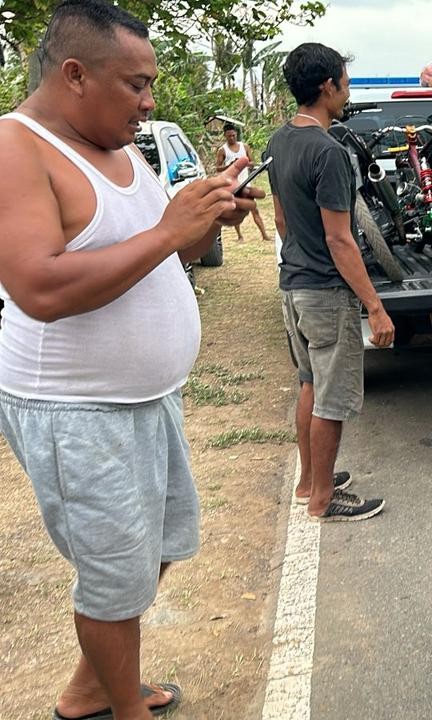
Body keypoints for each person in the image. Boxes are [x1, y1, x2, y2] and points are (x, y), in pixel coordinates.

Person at [0, 2, 260, 718]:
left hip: (147, 399)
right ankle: (123, 709)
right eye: (136, 85)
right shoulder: (15, 148)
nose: (149, 103)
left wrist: (205, 214)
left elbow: (137, 244)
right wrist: (170, 232)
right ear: (75, 74)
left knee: (155, 552)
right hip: (76, 410)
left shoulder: (113, 147)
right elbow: (38, 288)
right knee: (114, 577)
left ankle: (91, 689)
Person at [265, 43, 392, 522]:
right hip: (323, 290)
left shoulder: (278, 142)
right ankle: (323, 500)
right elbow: (341, 240)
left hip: (291, 284)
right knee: (331, 398)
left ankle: (307, 483)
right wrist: (374, 306)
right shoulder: (329, 152)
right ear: (327, 87)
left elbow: (280, 220)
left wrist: (300, 254)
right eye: (345, 81)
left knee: (309, 384)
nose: (348, 90)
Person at [214, 122, 270, 242]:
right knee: (236, 209)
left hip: (246, 183)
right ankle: (239, 235)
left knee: (254, 209)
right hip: (233, 186)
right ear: (225, 136)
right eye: (229, 136)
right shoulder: (222, 150)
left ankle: (264, 235)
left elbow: (252, 162)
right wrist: (230, 165)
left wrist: (243, 163)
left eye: (234, 135)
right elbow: (217, 168)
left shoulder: (244, 147)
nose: (232, 138)